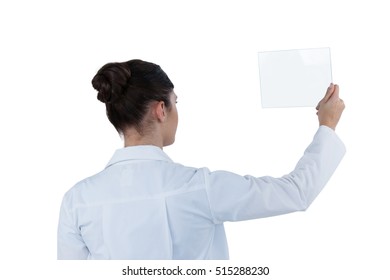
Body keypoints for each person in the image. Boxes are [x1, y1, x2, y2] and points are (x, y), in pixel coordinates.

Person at [57, 59, 345, 260]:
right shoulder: (200, 188)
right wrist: (327, 126)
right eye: (175, 102)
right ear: (161, 109)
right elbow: (296, 193)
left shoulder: (77, 200)